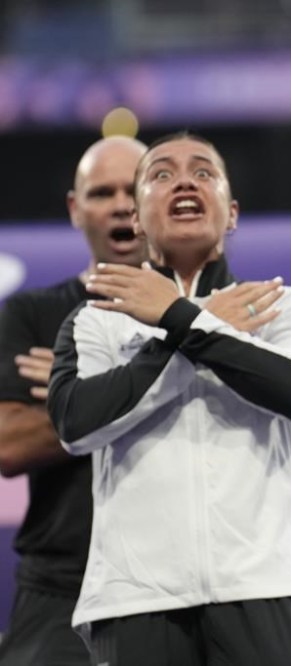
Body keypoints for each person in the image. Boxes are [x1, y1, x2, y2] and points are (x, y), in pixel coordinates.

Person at [46, 132, 291, 665]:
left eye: (204, 172)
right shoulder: (94, 321)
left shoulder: (278, 305)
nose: (183, 180)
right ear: (135, 218)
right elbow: (75, 423)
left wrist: (180, 319)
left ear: (232, 214)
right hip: (135, 597)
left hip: (264, 585)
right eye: (161, 174)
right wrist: (195, 332)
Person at [0, 135, 147, 665]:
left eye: (134, 188)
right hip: (63, 584)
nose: (122, 204)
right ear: (74, 209)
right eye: (102, 192)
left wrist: (81, 388)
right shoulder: (32, 315)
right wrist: (162, 387)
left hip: (178, 577)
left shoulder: (200, 311)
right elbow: (10, 445)